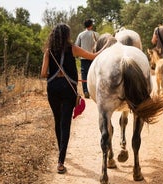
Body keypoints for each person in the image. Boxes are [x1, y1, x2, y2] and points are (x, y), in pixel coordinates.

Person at [40, 23, 104, 174]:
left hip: (53, 88)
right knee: (65, 124)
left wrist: (56, 75)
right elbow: (93, 56)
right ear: (67, 35)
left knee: (58, 120)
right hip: (68, 89)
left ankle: (61, 153)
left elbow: (43, 73)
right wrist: (106, 46)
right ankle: (61, 161)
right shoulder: (73, 48)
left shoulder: (49, 51)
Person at [75, 19, 99, 98]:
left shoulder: (81, 35)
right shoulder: (96, 34)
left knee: (84, 74)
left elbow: (77, 46)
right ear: (91, 25)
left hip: (83, 58)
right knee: (94, 74)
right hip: (94, 57)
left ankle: (86, 91)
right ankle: (94, 91)